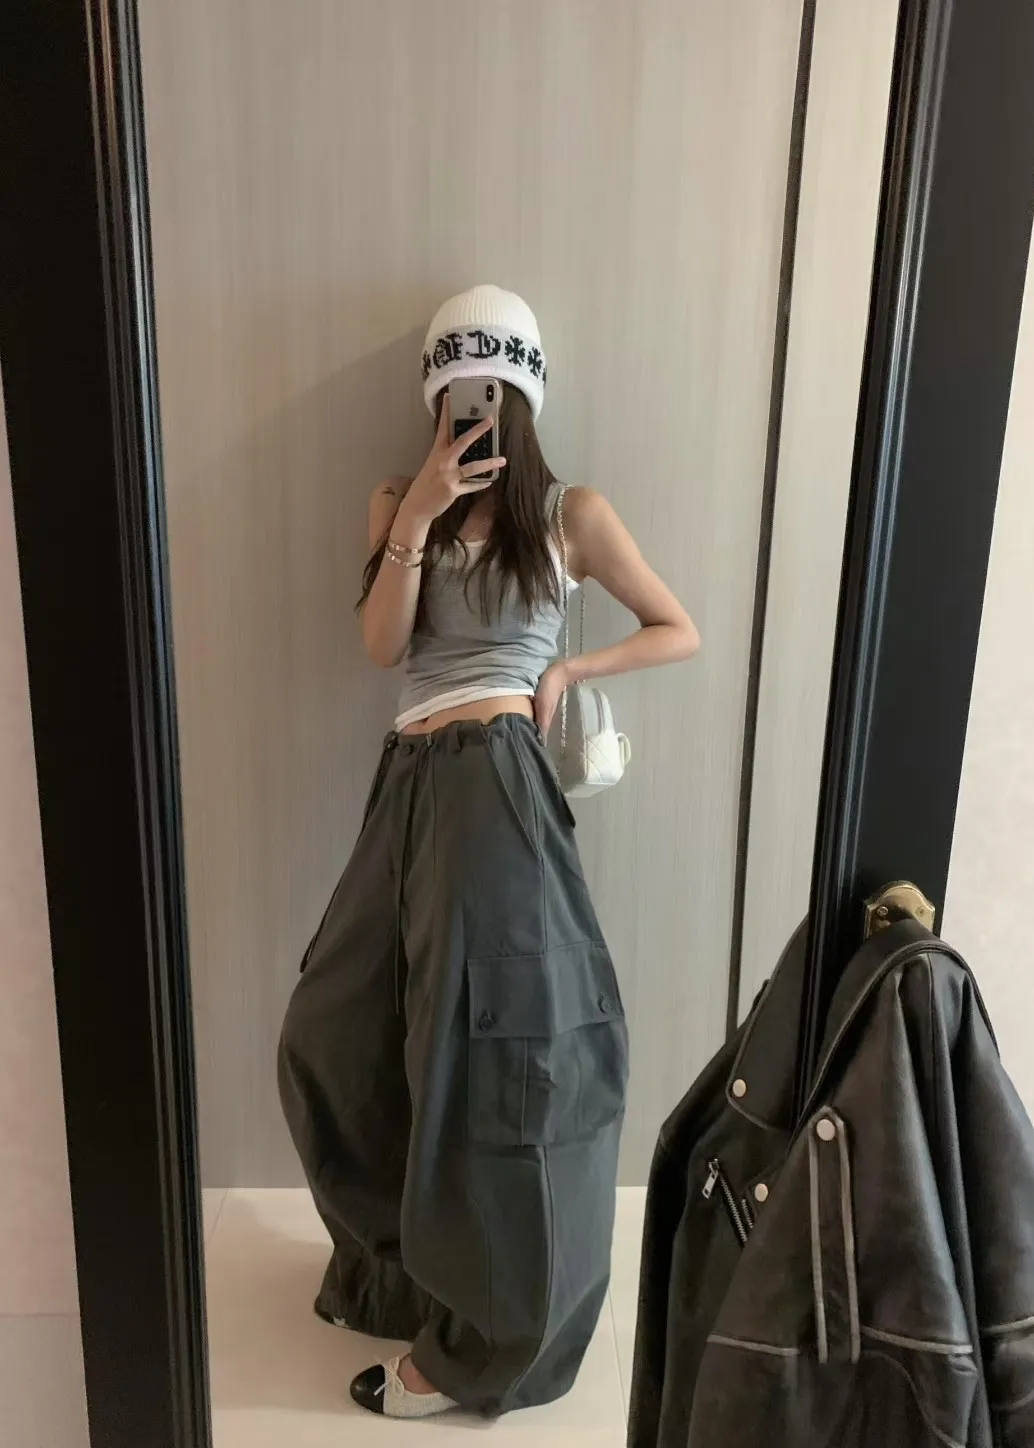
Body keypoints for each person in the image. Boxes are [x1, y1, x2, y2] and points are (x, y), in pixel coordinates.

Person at [278, 285, 699, 1420]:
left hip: (497, 779)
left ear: (525, 390)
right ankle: (403, 1273)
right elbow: (382, 649)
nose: (477, 406)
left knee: (492, 1054)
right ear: (436, 393)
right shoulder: (396, 500)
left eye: (497, 387)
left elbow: (678, 626)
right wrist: (416, 514)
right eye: (460, 389)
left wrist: (567, 669)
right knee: (336, 1026)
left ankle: (479, 1347)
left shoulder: (568, 512)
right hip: (407, 780)